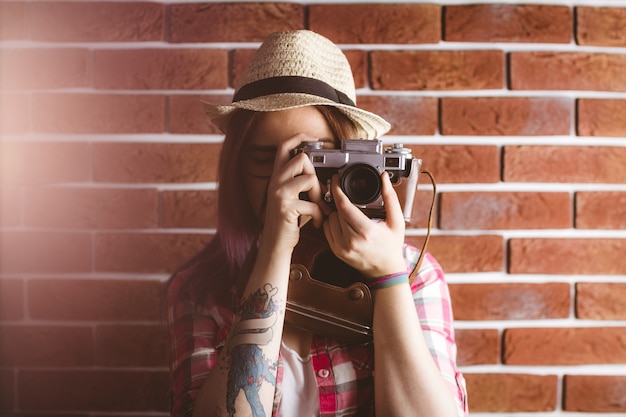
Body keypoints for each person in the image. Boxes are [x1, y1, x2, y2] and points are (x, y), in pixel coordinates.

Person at [165, 30, 468, 417]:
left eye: (314, 156)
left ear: (356, 162)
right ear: (236, 168)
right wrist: (276, 249)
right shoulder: (198, 291)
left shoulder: (414, 274)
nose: (287, 178)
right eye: (264, 159)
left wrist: (389, 278)